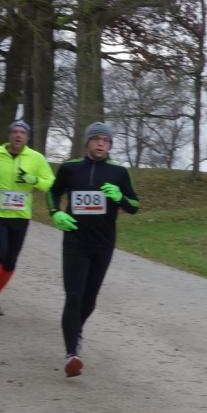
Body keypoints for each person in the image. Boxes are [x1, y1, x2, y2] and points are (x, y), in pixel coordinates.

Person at [48, 122, 140, 377]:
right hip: (75, 242)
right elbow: (53, 192)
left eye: (106, 140)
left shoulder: (118, 172)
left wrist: (119, 197)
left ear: (109, 145)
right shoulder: (69, 168)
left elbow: (134, 205)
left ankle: (75, 331)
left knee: (89, 300)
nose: (101, 143)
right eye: (96, 138)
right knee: (74, 296)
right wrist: (55, 213)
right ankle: (72, 354)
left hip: (103, 244)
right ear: (87, 142)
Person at [0, 119, 56, 317]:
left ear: (27, 138)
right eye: (15, 131)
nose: (18, 135)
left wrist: (34, 180)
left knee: (10, 260)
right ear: (9, 135)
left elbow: (50, 183)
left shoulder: (36, 158)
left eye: (22, 133)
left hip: (20, 215)